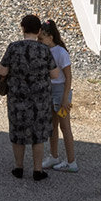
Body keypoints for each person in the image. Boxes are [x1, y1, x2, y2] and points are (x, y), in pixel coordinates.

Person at [0, 13, 61, 180]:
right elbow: (55, 74)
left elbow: (2, 71)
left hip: (17, 98)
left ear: (23, 29)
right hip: (40, 100)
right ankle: (37, 170)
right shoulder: (45, 50)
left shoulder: (13, 47)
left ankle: (19, 167)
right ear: (39, 31)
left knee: (18, 133)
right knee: (38, 135)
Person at [39, 18, 77, 172]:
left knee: (65, 127)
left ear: (50, 37)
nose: (40, 41)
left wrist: (65, 98)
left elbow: (68, 77)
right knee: (52, 126)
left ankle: (71, 161)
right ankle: (53, 155)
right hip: (49, 90)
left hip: (60, 90)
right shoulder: (45, 51)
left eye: (42, 38)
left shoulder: (61, 52)